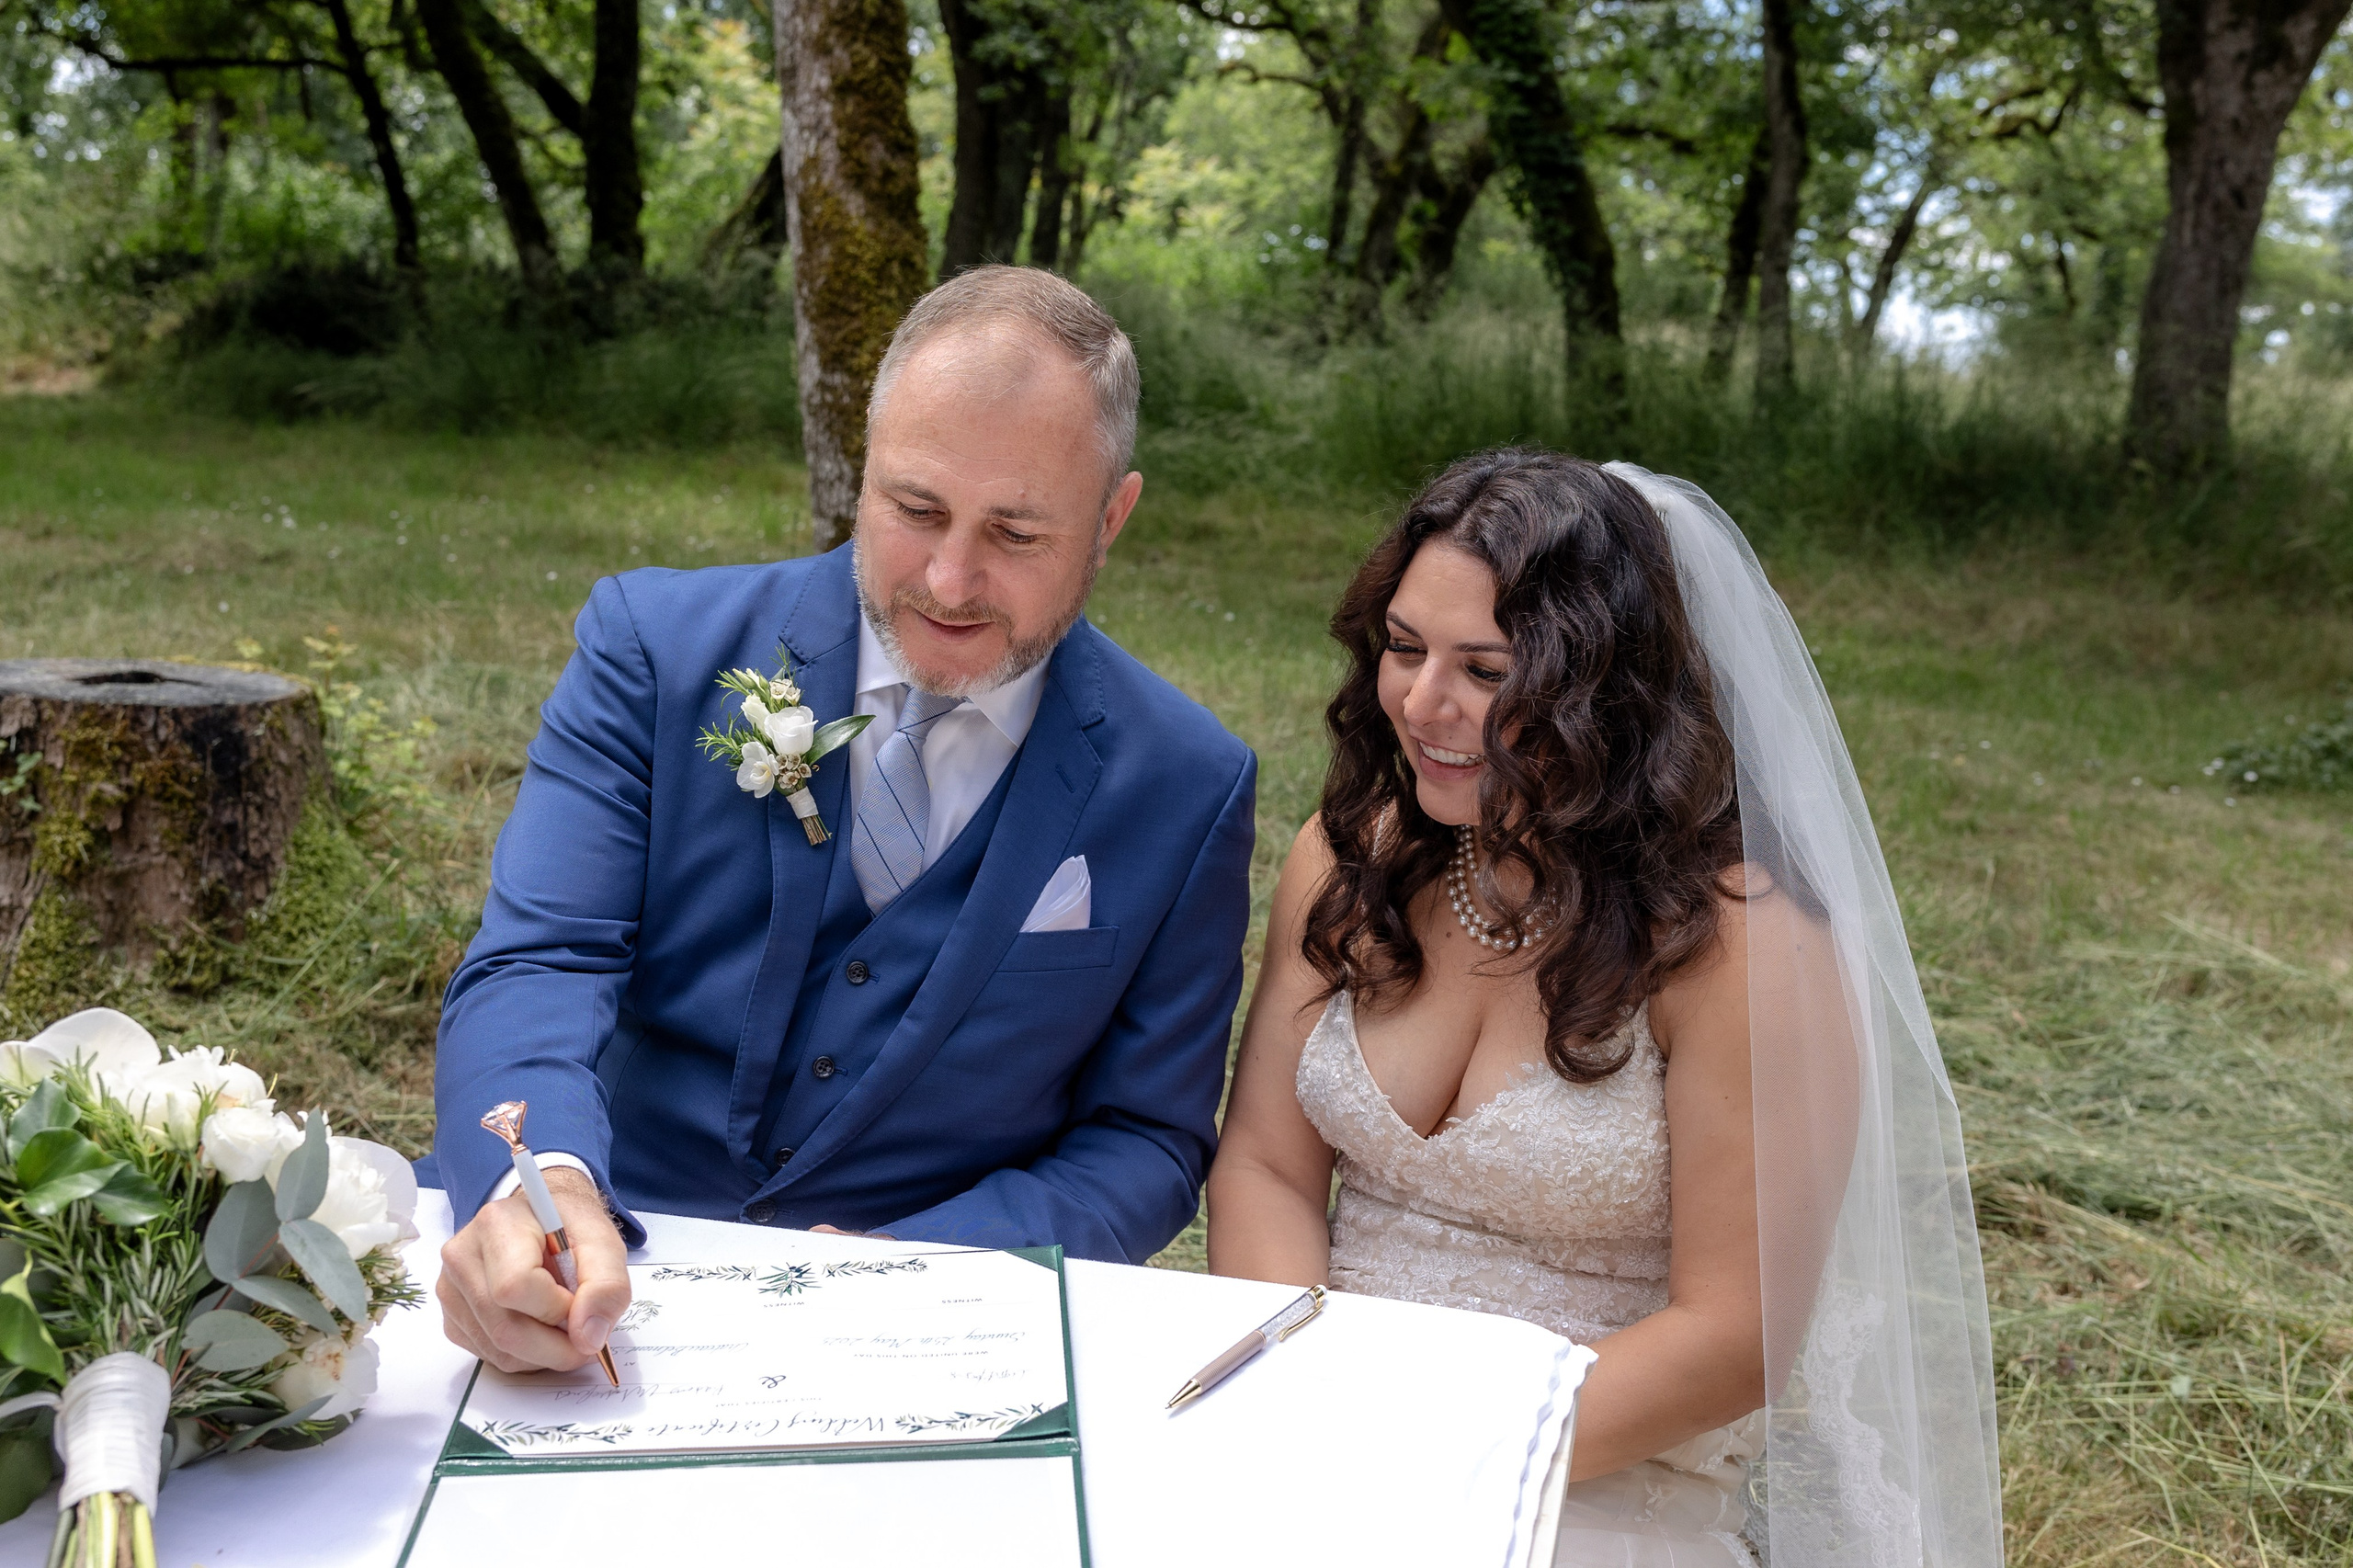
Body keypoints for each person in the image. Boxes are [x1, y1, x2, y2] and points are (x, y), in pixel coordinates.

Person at [426, 266, 1256, 1377]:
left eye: (1014, 533)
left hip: (932, 1336)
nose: (950, 579)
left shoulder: (1186, 781)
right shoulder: (653, 649)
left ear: (1112, 516)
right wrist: (547, 1181)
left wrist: (921, 1271)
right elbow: (540, 956)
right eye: (914, 510)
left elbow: (1144, 1140)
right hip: (602, 1276)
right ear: (861, 472)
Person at [1206, 451, 2003, 1566]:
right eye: (1403, 647)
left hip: (1582, 1479)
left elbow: (1736, 1333)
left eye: (1485, 670)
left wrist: (1441, 1450)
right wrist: (1291, 1385)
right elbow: (1263, 1167)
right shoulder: (1349, 859)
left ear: (1599, 688)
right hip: (1313, 1431)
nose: (1423, 704)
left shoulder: (1740, 942)